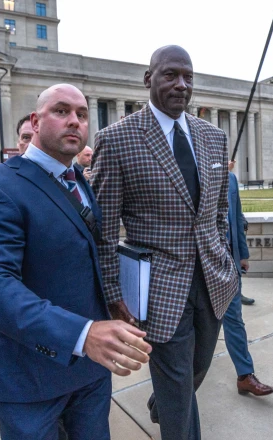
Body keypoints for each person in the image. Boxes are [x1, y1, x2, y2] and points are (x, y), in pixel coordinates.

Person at [0, 84, 151, 440]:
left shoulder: (76, 181)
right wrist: (82, 334)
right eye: (61, 111)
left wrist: (111, 302)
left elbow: (81, 255)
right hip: (30, 379)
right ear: (35, 121)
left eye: (82, 114)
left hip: (90, 374)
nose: (74, 121)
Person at [91, 45, 238, 440]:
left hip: (213, 282)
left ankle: (166, 400)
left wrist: (225, 257)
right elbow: (104, 230)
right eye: (170, 74)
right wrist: (113, 294)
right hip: (159, 289)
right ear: (149, 79)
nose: (181, 84)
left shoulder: (213, 137)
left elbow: (218, 211)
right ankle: (172, 406)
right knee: (177, 388)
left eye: (188, 76)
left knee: (195, 370)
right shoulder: (116, 139)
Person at [223, 161, 273, 396]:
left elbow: (237, 218)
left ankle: (245, 375)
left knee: (234, 320)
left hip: (229, 264)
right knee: (196, 328)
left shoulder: (231, 179)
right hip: (197, 269)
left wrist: (242, 254)